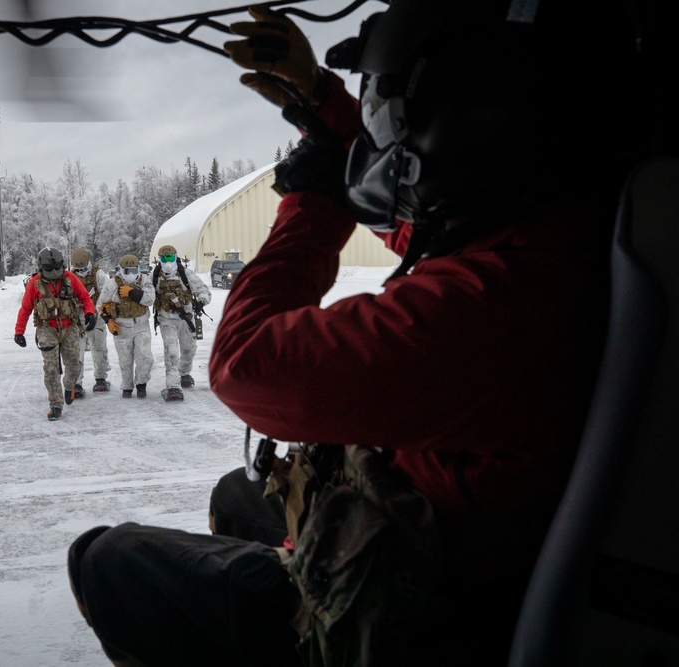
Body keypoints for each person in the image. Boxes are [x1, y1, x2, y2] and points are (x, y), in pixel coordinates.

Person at [68, 1, 645, 664]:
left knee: (106, 559)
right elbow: (417, 229)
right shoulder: (546, 241)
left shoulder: (484, 310)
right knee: (238, 494)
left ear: (470, 123)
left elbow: (245, 364)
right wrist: (322, 101)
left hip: (425, 604)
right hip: (438, 528)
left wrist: (312, 206)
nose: (382, 145)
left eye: (395, 120)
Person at [15, 247, 96, 421]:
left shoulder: (70, 278)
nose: (53, 272)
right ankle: (56, 404)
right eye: (49, 269)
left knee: (75, 365)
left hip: (69, 327)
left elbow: (85, 298)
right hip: (47, 328)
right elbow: (26, 308)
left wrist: (90, 313)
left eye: (56, 268)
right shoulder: (34, 283)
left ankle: (69, 386)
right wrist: (19, 332)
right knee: (51, 369)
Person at [151, 244, 212, 402]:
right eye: (164, 258)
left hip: (186, 318)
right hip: (166, 319)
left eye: (170, 258)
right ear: (159, 259)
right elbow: (148, 294)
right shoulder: (155, 276)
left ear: (176, 257)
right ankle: (173, 386)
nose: (167, 261)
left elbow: (203, 289)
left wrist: (201, 301)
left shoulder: (186, 274)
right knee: (171, 351)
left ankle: (184, 373)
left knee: (188, 349)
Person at [96, 254, 155, 399]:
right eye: (127, 271)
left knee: (145, 357)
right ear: (121, 270)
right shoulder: (112, 284)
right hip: (121, 327)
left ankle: (141, 385)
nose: (131, 275)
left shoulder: (144, 281)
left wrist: (133, 292)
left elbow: (150, 299)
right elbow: (101, 304)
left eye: (134, 270)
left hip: (141, 325)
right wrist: (108, 320)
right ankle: (127, 387)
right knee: (125, 359)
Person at [70, 247, 113, 395]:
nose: (81, 271)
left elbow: (105, 296)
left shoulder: (99, 275)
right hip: (77, 319)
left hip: (96, 316)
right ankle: (76, 383)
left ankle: (101, 378)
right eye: (78, 269)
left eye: (83, 268)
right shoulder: (70, 276)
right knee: (77, 351)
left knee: (99, 348)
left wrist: (96, 314)